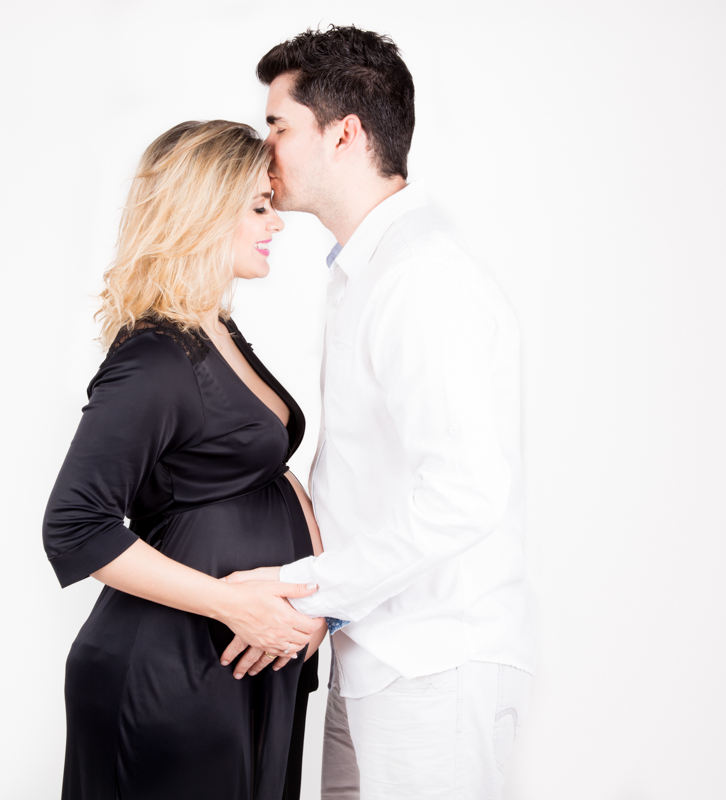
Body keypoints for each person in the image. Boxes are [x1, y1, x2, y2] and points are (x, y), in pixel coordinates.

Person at [218, 26, 540, 799]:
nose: (264, 149)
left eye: (278, 126)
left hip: (432, 664)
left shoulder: (421, 279)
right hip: (375, 653)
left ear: (345, 134)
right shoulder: (369, 271)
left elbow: (464, 492)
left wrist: (310, 591)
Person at [42, 120, 327, 800]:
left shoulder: (215, 326)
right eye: (259, 207)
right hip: (173, 671)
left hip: (238, 661)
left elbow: (266, 467)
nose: (276, 222)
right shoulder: (154, 357)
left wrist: (318, 591)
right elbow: (75, 526)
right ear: (204, 212)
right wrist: (234, 605)